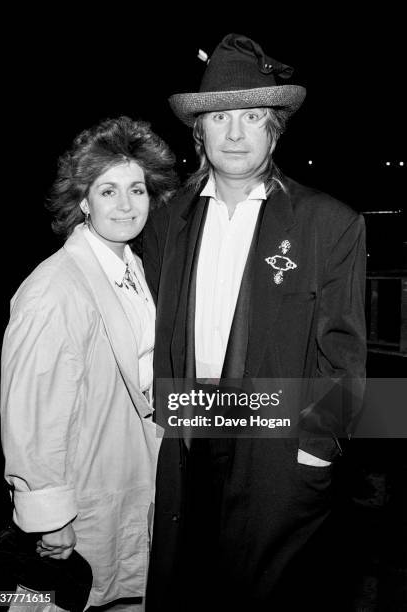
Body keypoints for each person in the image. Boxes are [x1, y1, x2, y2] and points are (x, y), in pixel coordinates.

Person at [143, 34, 366, 611]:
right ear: (200, 131)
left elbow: (343, 352)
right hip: (187, 435)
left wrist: (318, 449)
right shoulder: (166, 219)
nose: (235, 133)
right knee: (187, 588)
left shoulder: (328, 222)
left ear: (274, 128)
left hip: (277, 447)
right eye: (220, 117)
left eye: (251, 116)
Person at [0, 115, 178, 610]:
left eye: (137, 189)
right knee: (40, 603)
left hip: (124, 476)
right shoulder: (55, 287)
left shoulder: (130, 266)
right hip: (81, 497)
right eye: (108, 191)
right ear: (82, 200)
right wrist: (50, 515)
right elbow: (33, 412)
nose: (125, 205)